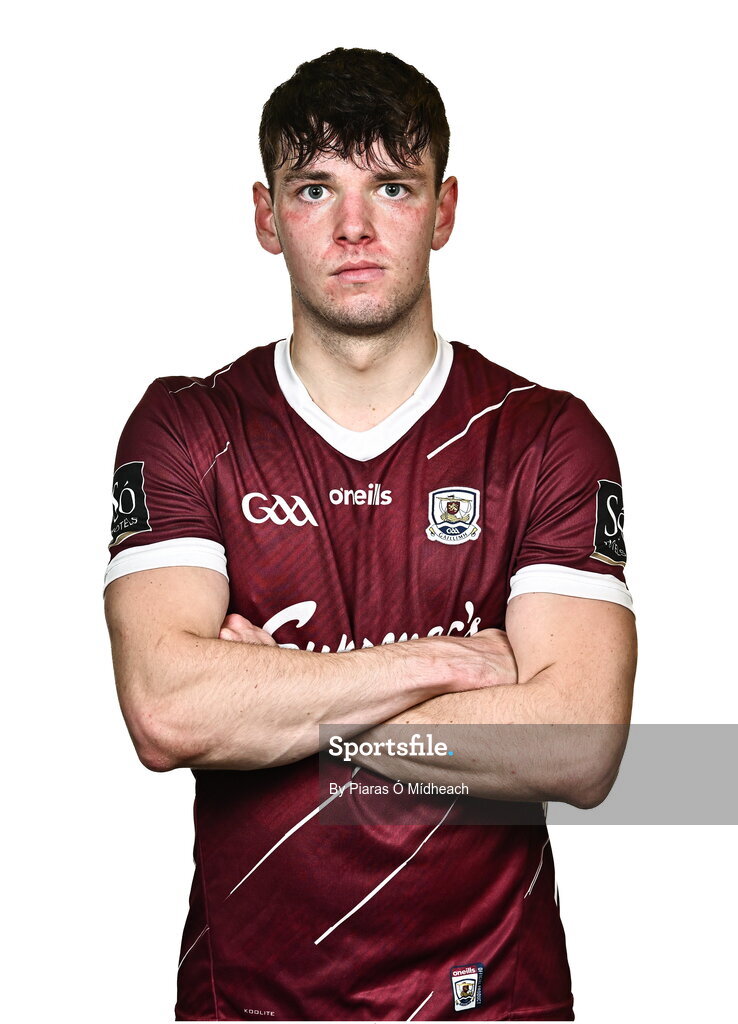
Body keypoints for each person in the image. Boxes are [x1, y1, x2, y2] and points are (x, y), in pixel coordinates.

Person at [104, 46, 637, 1022]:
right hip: (248, 1006)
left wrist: (278, 703)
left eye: (392, 186)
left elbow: (584, 743)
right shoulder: (188, 428)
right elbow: (168, 714)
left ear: (443, 209)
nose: (354, 226)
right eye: (315, 188)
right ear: (267, 217)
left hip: (495, 1001)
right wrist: (452, 664)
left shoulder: (544, 437)